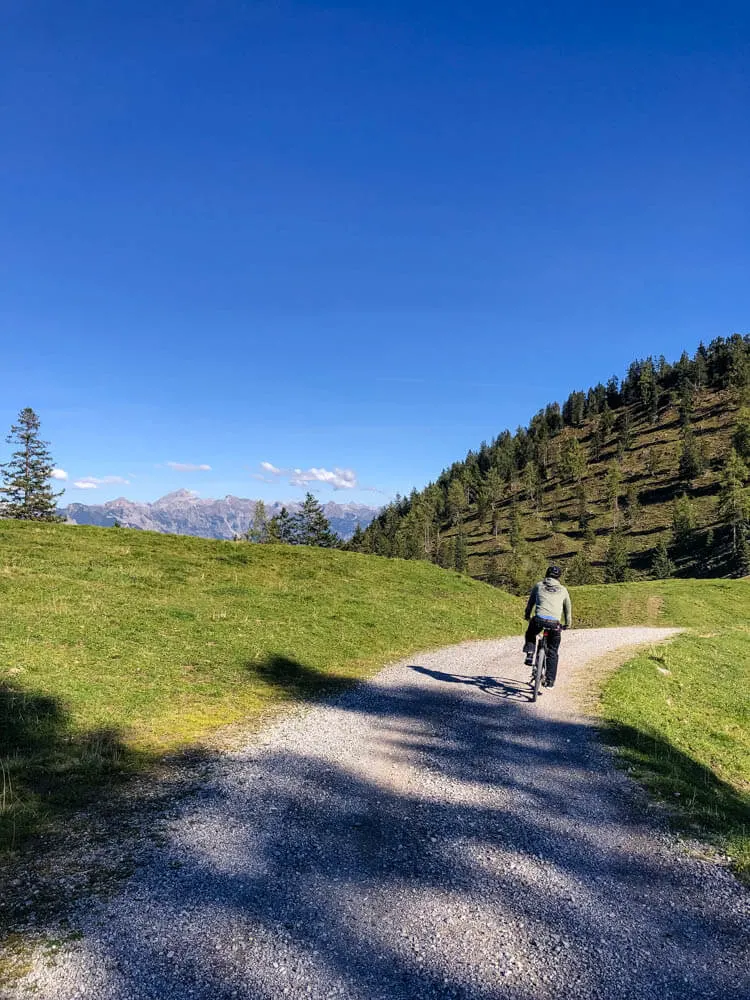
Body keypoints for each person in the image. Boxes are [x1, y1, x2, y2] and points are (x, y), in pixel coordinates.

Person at [523, 565, 572, 688]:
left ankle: (530, 652)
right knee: (553, 651)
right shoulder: (563, 590)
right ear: (558, 577)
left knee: (530, 633)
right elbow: (567, 610)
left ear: (546, 574)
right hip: (554, 624)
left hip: (538, 620)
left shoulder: (539, 586)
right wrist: (567, 624)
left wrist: (527, 615)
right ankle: (550, 682)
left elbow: (531, 603)